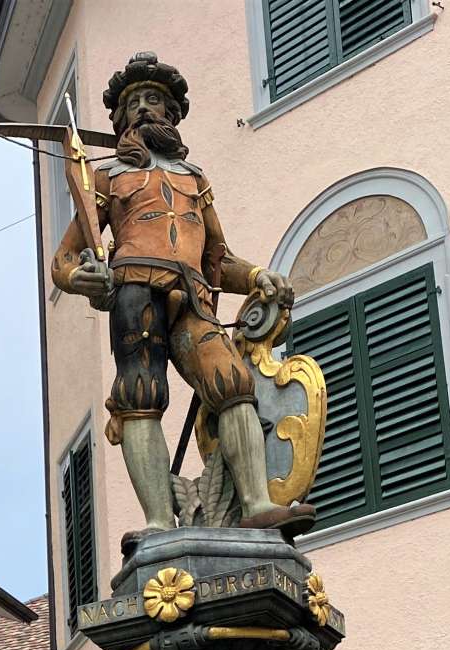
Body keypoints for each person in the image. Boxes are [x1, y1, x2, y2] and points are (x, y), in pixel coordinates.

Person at [50, 52, 309, 537]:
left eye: (153, 101)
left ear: (171, 114)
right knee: (140, 394)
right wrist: (79, 277)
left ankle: (256, 503)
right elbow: (64, 259)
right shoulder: (107, 178)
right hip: (134, 291)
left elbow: (217, 261)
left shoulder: (195, 179)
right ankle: (156, 520)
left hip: (192, 296)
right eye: (133, 104)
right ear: (121, 120)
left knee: (232, 382)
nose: (143, 110)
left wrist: (256, 275)